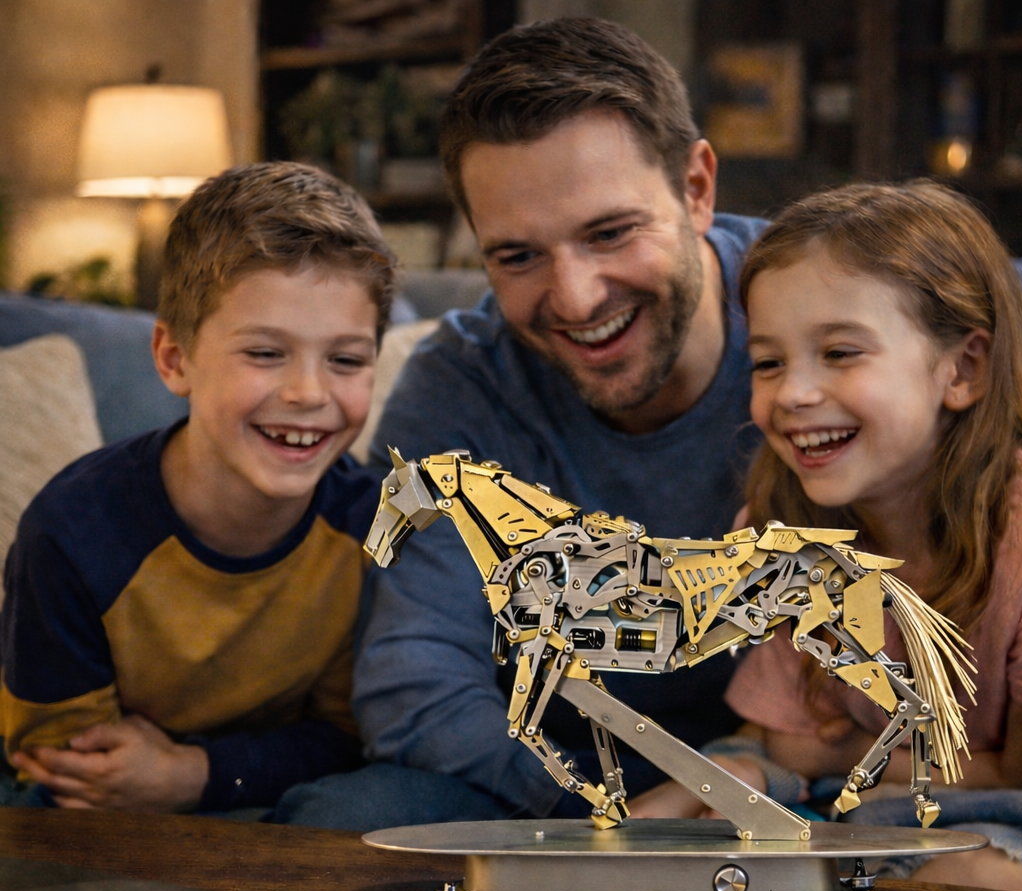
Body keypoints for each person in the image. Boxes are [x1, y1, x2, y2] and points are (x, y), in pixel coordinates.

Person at [273, 18, 768, 829]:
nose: (575, 299)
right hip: (554, 782)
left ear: (696, 189)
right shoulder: (463, 388)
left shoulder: (833, 322)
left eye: (610, 232)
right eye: (518, 256)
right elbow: (414, 680)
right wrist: (611, 820)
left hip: (787, 770)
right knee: (346, 819)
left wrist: (747, 783)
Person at [635, 180, 1022, 891]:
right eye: (769, 363)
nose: (792, 394)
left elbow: (1014, 773)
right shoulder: (782, 534)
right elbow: (788, 741)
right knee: (665, 819)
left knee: (976, 876)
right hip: (858, 801)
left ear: (962, 369)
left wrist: (840, 756)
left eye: (841, 353)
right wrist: (758, 768)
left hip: (988, 817)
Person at [0, 161, 397, 816]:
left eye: (346, 360)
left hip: (258, 793)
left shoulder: (371, 530)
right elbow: (67, 767)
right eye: (265, 353)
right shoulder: (72, 531)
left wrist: (198, 773)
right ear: (174, 359)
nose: (308, 393)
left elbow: (354, 739)